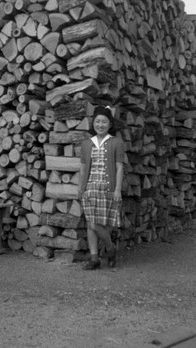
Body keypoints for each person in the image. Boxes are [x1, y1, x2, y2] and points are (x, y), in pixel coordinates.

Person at [78, 105, 125, 270]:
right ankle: (95, 258)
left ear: (110, 124)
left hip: (108, 188)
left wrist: (117, 189)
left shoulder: (116, 142)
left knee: (101, 226)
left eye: (104, 122)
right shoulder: (86, 144)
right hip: (90, 188)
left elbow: (119, 167)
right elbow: (83, 168)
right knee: (91, 224)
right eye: (97, 121)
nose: (100, 125)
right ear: (93, 123)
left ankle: (109, 249)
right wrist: (81, 188)